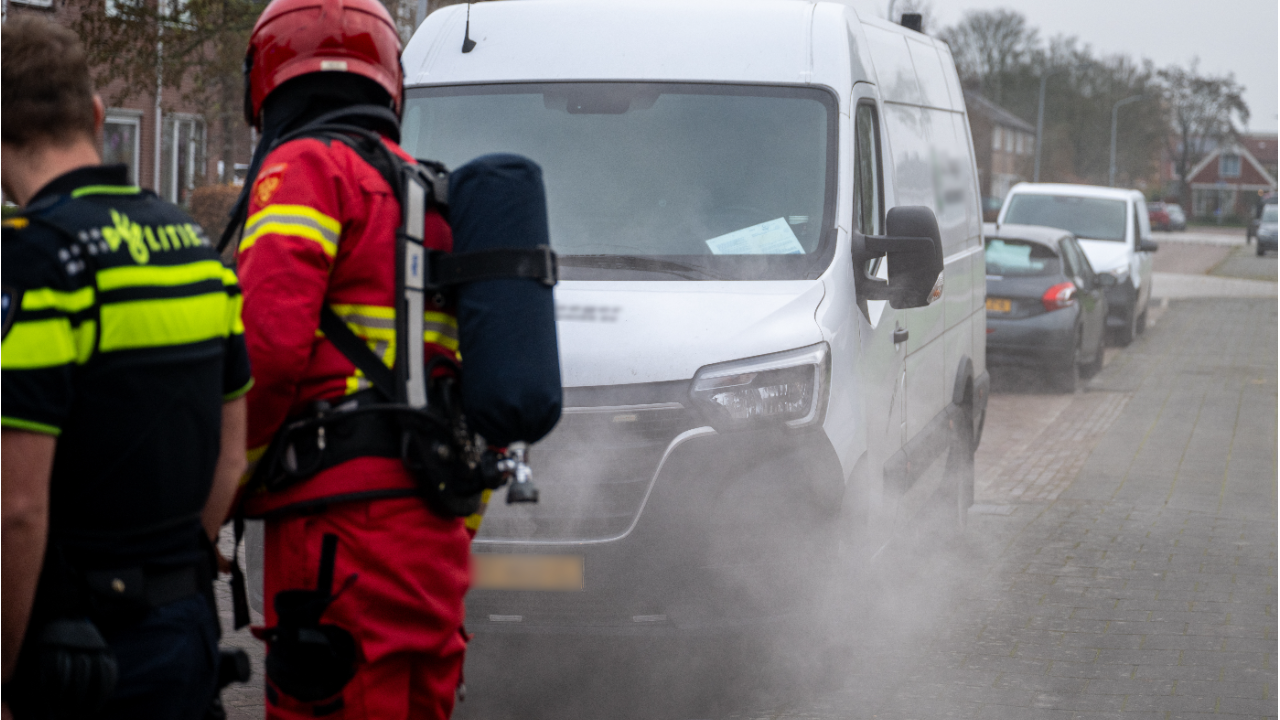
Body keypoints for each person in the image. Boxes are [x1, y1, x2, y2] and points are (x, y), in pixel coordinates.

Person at [0, 16, 252, 720]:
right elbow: (230, 459)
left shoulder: (33, 258)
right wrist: (169, 575)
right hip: (183, 635)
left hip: (71, 657)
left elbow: (15, 509)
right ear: (96, 113)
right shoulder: (197, 252)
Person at [230, 0, 474, 717]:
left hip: (335, 534)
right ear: (390, 80)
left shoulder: (304, 168)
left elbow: (266, 354)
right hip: (434, 534)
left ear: (266, 80)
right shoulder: (430, 191)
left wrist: (219, 490)